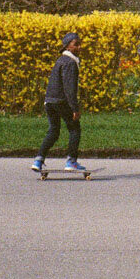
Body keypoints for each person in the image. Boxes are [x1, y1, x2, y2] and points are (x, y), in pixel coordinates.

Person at [32, 31, 85, 173]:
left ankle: (38, 160)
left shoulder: (60, 60)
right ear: (68, 47)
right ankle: (71, 162)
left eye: (80, 44)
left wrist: (47, 101)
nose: (79, 47)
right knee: (75, 129)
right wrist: (75, 108)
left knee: (54, 131)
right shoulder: (70, 62)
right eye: (76, 44)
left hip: (49, 101)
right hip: (61, 101)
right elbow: (69, 88)